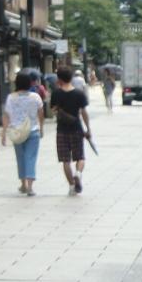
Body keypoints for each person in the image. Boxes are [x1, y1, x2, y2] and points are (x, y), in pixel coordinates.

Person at [49, 66, 91, 195]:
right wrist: (88, 129)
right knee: (80, 157)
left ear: (59, 79)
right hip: (77, 128)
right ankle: (78, 173)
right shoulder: (79, 93)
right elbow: (84, 112)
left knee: (65, 160)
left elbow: (53, 110)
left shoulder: (56, 93)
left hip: (62, 129)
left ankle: (72, 186)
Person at [3, 69, 45, 195]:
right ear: (29, 83)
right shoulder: (35, 97)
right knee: (31, 158)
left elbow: (6, 115)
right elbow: (41, 113)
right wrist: (41, 127)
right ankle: (30, 187)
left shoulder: (11, 98)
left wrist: (4, 132)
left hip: (17, 132)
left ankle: (23, 184)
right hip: (32, 130)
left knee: (20, 157)